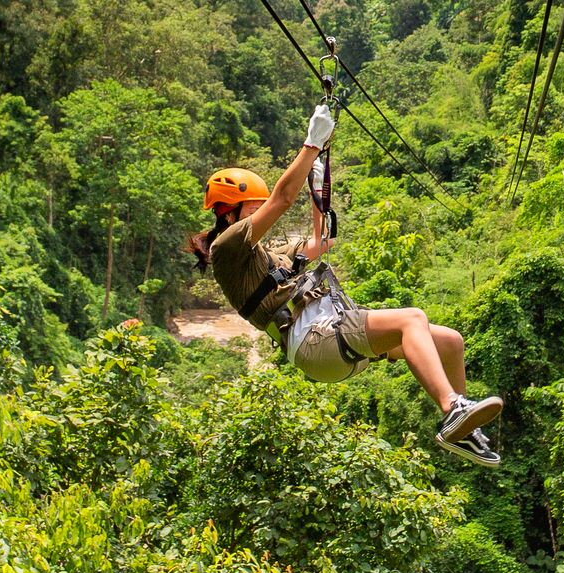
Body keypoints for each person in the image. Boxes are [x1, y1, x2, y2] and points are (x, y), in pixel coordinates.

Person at [188, 104, 502, 466]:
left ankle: (463, 431)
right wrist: (311, 144)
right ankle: (451, 409)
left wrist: (317, 186)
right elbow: (281, 198)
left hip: (325, 339)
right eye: (252, 208)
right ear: (229, 212)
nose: (260, 215)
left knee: (449, 342)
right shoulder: (228, 250)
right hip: (316, 339)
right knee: (412, 319)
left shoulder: (267, 255)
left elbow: (322, 244)